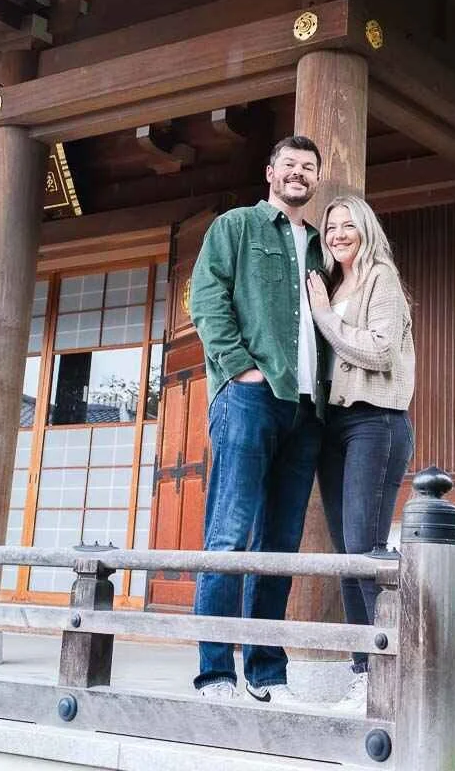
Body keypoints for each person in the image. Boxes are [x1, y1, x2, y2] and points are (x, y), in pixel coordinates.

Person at [187, 135, 330, 702]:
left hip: (307, 407)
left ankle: (267, 673)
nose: (298, 174)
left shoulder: (319, 244)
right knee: (228, 535)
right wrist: (239, 368)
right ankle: (215, 672)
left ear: (316, 179)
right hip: (250, 396)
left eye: (308, 167)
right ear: (270, 171)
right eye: (289, 164)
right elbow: (206, 298)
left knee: (279, 545)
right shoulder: (236, 226)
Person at [304, 193, 416, 713]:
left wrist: (326, 318)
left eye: (349, 225)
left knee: (365, 550)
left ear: (366, 229)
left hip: (376, 420)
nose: (339, 234)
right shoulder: (329, 285)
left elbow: (381, 349)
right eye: (331, 227)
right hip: (335, 424)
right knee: (349, 556)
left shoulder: (380, 278)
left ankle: (388, 674)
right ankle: (364, 670)